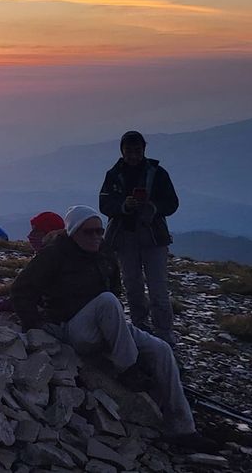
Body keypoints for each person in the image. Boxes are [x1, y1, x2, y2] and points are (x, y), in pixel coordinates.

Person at [8, 205, 217, 453]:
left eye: (100, 231)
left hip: (105, 322)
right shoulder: (54, 255)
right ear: (73, 232)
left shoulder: (104, 253)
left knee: (161, 350)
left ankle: (183, 429)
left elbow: (115, 289)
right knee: (107, 301)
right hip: (73, 327)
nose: (97, 236)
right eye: (89, 232)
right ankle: (128, 367)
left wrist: (112, 323)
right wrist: (36, 325)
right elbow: (21, 290)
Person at [99, 130, 180, 345]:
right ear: (122, 151)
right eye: (129, 151)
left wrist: (153, 207)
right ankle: (140, 328)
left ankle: (164, 334)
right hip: (126, 238)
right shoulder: (113, 175)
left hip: (153, 238)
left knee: (158, 288)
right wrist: (124, 206)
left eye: (137, 151)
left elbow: (172, 203)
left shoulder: (157, 174)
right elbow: (104, 204)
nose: (133, 155)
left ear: (144, 150)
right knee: (132, 285)